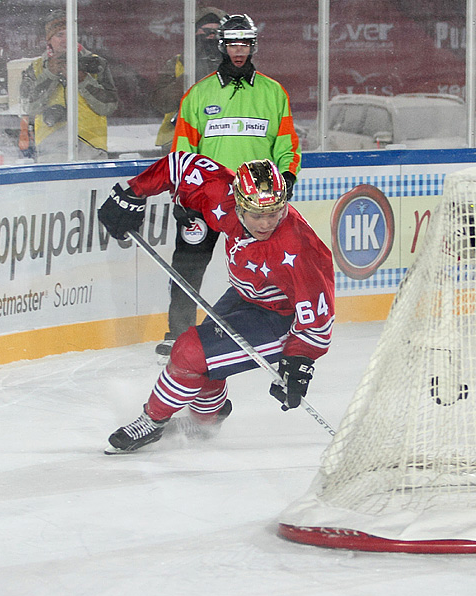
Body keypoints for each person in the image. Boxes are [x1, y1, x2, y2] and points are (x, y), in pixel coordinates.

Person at [97, 152, 334, 453]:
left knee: (189, 351)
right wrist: (133, 193)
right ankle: (207, 422)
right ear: (238, 204)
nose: (266, 223)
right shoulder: (220, 193)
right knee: (206, 360)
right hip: (246, 295)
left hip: (282, 320)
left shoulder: (299, 248)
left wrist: (299, 362)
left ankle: (152, 421)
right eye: (256, 215)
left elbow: (319, 321)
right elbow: (179, 164)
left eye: (274, 212)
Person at [156, 13, 302, 358]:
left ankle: (276, 328)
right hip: (206, 198)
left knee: (270, 266)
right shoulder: (198, 94)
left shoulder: (272, 92)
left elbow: (287, 145)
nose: (240, 50)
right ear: (222, 45)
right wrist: (182, 193)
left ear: (253, 45)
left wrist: (288, 177)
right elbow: (183, 150)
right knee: (188, 264)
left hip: (258, 200)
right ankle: (179, 333)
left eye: (246, 43)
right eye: (234, 43)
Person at [19, 10, 119, 162]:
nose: (65, 39)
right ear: (49, 39)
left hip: (91, 146)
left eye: (70, 33)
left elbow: (109, 106)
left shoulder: (96, 64)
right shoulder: (36, 68)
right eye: (59, 35)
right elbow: (28, 107)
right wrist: (50, 75)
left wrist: (83, 79)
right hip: (51, 147)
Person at [150, 6, 227, 153]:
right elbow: (160, 103)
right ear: (194, 32)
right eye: (205, 31)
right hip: (178, 138)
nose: (210, 36)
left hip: (221, 137)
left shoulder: (235, 65)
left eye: (216, 32)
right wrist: (188, 77)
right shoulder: (177, 63)